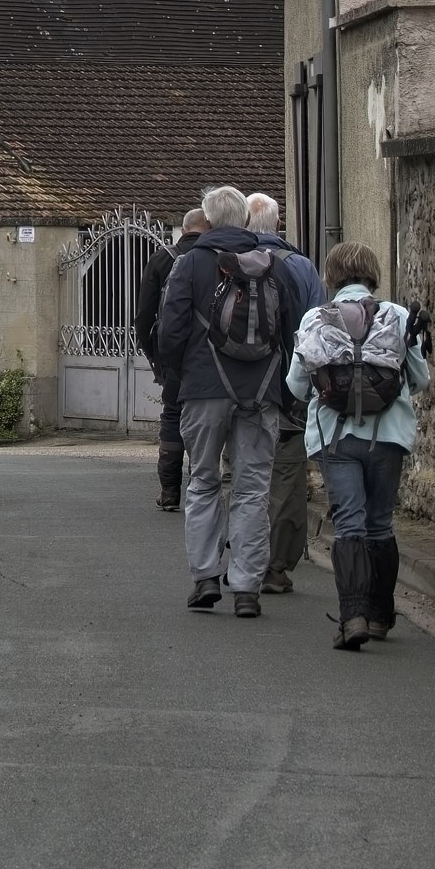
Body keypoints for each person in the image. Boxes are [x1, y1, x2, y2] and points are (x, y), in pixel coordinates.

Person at [153, 184, 309, 618]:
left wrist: (180, 376)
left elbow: (170, 331)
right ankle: (246, 587)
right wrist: (279, 386)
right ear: (244, 220)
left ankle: (205, 577)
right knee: (252, 490)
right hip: (260, 394)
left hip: (204, 391)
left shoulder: (189, 264)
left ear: (206, 219)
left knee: (203, 482)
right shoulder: (273, 267)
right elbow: (293, 332)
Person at [287, 242, 431, 649]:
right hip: (388, 436)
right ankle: (382, 615)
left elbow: (296, 385)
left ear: (331, 277)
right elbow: (421, 379)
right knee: (380, 523)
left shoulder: (316, 318)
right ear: (372, 274)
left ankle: (353, 618)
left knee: (348, 522)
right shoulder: (398, 315)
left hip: (336, 437)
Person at [242, 193, 325, 594]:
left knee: (245, 474)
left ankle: (242, 558)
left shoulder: (228, 263)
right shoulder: (303, 268)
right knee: (287, 476)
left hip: (239, 388)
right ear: (278, 225)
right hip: (289, 390)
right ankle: (276, 565)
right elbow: (319, 333)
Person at [136, 207, 207, 512]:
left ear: (183, 229)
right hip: (208, 355)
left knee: (173, 417)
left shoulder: (162, 258)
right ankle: (201, 486)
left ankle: (169, 491)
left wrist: (156, 357)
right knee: (208, 419)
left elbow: (143, 316)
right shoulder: (216, 258)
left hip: (173, 356)